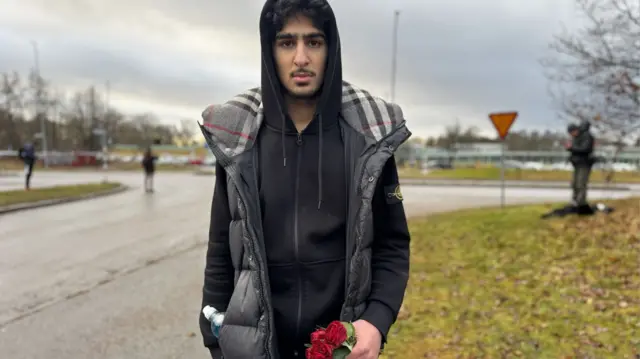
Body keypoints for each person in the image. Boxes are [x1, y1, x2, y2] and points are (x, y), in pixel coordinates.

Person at [197, 1, 411, 358]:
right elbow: (221, 248)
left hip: (341, 346)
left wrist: (375, 321)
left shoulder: (368, 139)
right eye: (286, 43)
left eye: (313, 42)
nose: (300, 58)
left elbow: (392, 245)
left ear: (331, 49)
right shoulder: (238, 141)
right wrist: (215, 340)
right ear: (270, 50)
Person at [565, 121, 595, 209]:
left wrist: (571, 148)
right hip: (577, 163)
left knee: (581, 184)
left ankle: (581, 202)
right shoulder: (576, 137)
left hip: (584, 164)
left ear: (575, 130)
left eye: (572, 133)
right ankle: (575, 201)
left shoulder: (587, 136)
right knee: (574, 183)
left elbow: (585, 149)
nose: (572, 135)